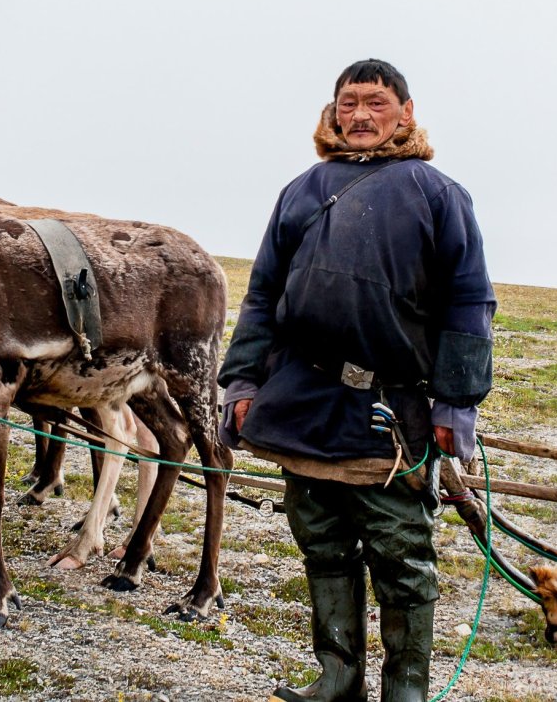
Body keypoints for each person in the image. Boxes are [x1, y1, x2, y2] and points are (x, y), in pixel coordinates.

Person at [218, 59, 495, 702]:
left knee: (402, 557)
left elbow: (469, 302)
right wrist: (242, 382)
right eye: (349, 103)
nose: (361, 115)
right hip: (303, 398)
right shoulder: (302, 189)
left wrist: (457, 404)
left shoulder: (437, 193)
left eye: (376, 102)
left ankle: (407, 690)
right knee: (322, 543)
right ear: (333, 110)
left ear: (405, 111)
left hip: (386, 411)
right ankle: (338, 679)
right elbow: (262, 294)